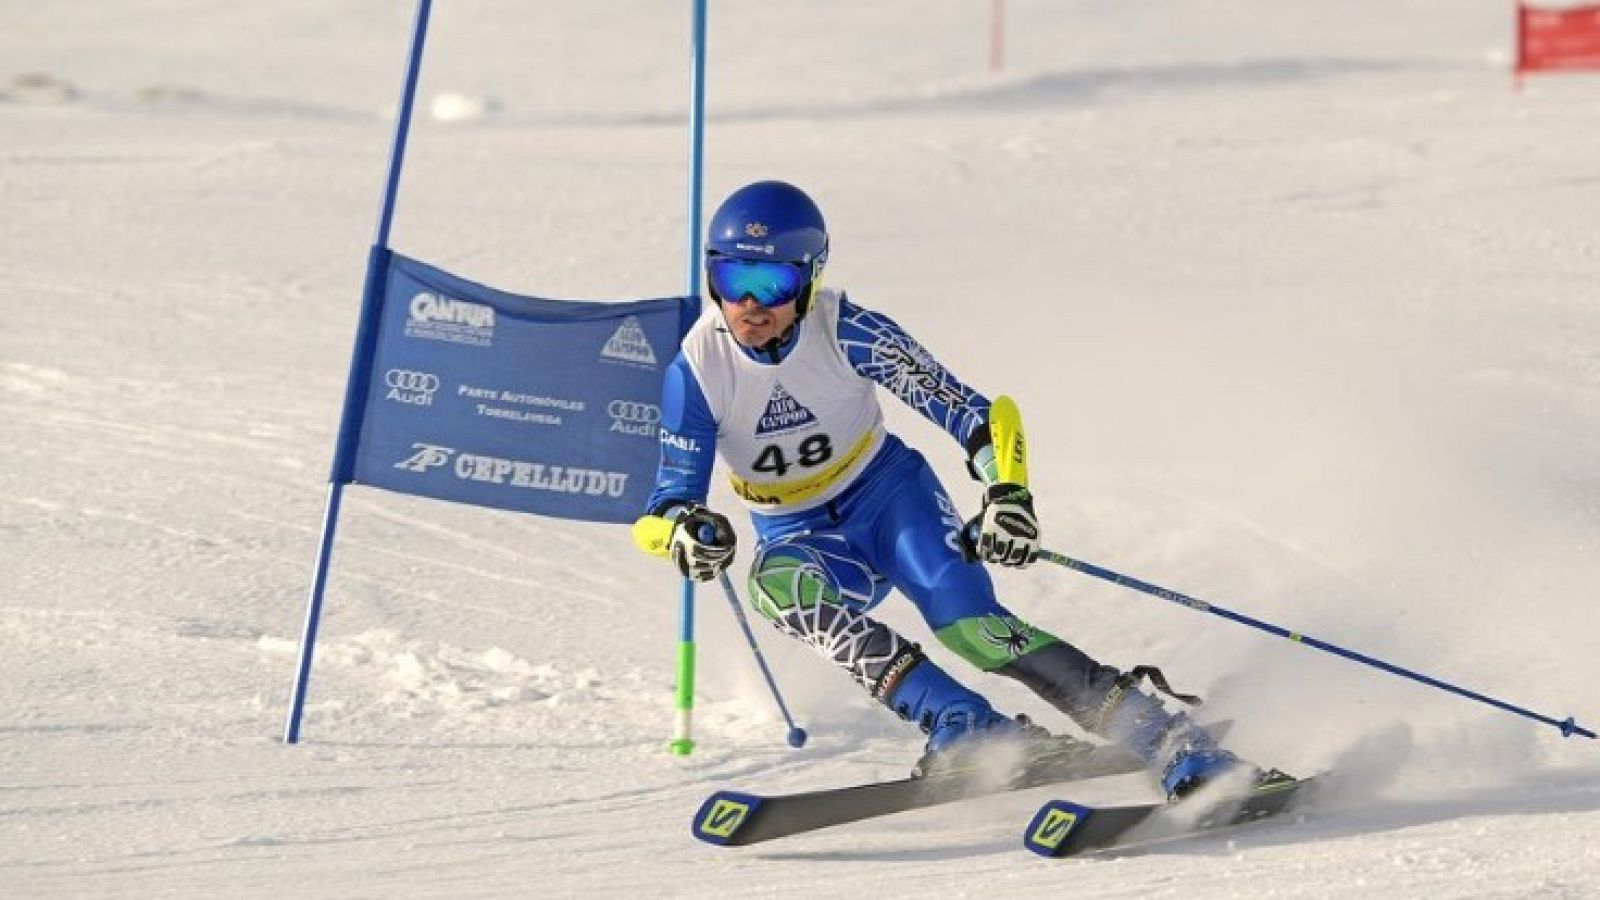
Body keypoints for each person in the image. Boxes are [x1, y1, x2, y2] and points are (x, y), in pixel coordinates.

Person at [635, 180, 1265, 798]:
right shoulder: (696, 371)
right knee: (782, 590)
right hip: (799, 531)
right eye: (731, 280)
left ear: (812, 280)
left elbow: (977, 415)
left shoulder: (850, 332)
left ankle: (1168, 739)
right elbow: (664, 505)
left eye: (773, 285)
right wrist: (686, 531)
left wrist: (1007, 495)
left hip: (889, 500)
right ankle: (968, 727)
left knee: (972, 628)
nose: (750, 305)